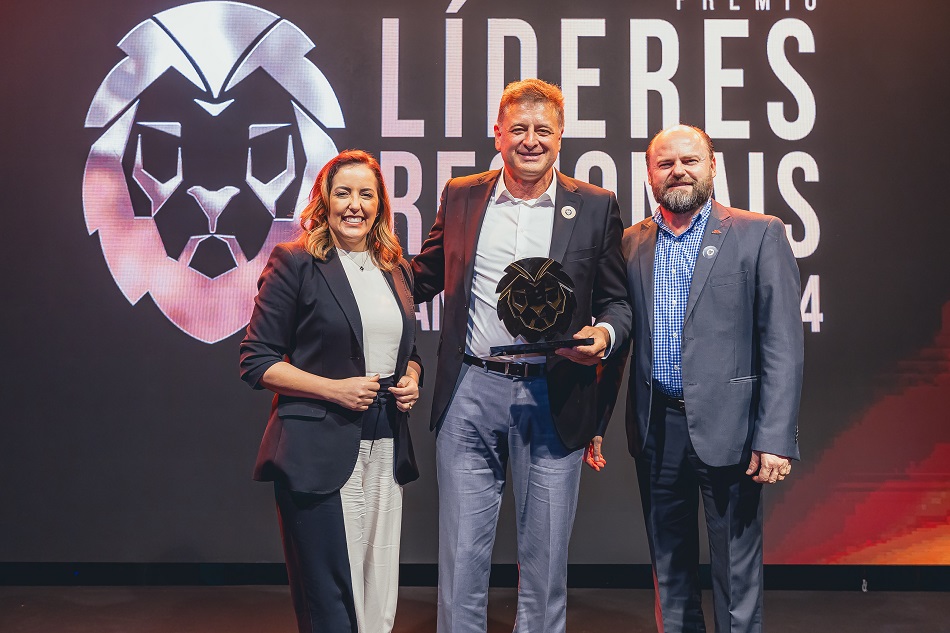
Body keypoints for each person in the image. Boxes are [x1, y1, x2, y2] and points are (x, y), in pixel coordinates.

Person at [411, 78, 631, 633]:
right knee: (461, 558)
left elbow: (618, 302)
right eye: (519, 129)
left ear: (561, 136)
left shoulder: (595, 206)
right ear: (498, 133)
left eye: (543, 130)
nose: (530, 141)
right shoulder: (462, 195)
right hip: (471, 392)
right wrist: (349, 268)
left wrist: (604, 335)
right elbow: (423, 276)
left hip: (554, 392)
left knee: (545, 562)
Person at [607, 124, 804, 632]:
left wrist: (775, 437)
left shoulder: (759, 232)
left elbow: (782, 344)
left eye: (690, 161)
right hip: (658, 430)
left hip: (733, 431)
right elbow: (622, 340)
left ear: (712, 167)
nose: (679, 171)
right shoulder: (630, 243)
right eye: (665, 163)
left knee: (737, 573)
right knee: (668, 571)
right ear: (649, 174)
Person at [239, 150, 422, 633]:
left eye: (367, 194)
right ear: (324, 200)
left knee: (377, 597)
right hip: (316, 453)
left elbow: (408, 349)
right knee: (332, 606)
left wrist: (412, 378)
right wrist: (332, 390)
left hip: (384, 448)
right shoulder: (296, 261)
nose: (355, 205)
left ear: (381, 203)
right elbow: (257, 361)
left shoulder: (394, 268)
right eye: (343, 193)